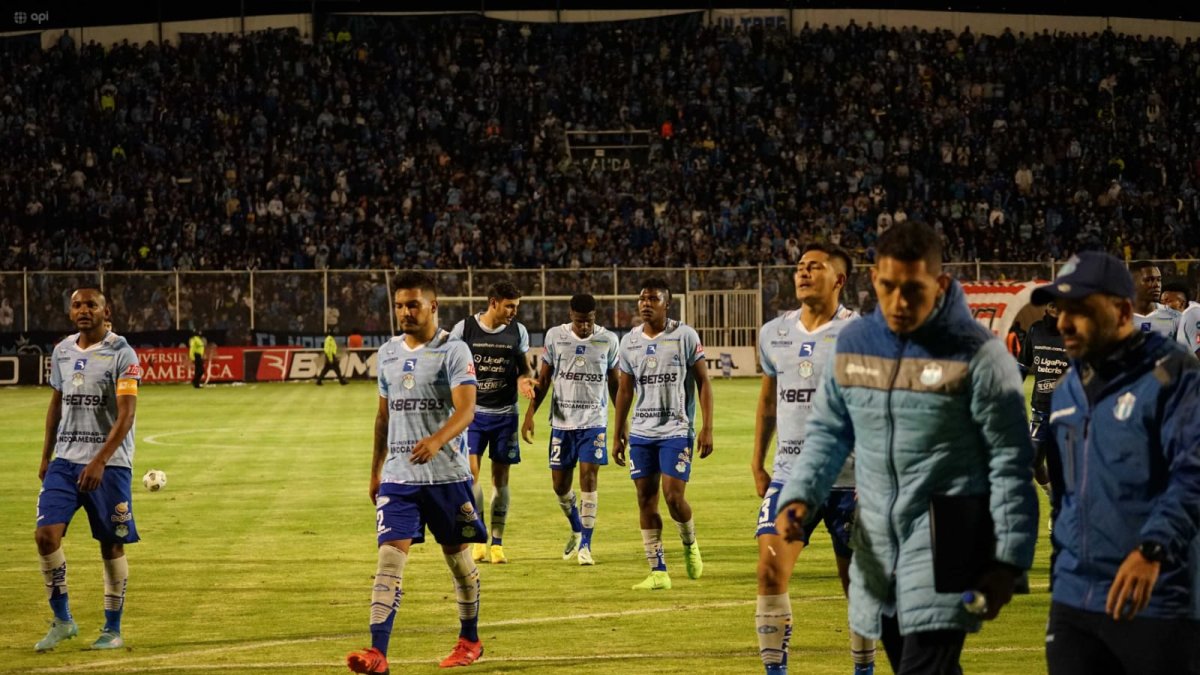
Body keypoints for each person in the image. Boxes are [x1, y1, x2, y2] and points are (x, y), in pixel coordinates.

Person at [774, 222, 1038, 674]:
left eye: (913, 289)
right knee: (913, 663)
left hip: (952, 530)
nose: (899, 302)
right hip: (877, 532)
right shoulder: (855, 344)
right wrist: (800, 495)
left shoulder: (978, 354)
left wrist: (1009, 559)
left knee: (923, 667)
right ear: (875, 278)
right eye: (889, 286)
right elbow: (830, 431)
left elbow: (1010, 462)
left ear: (940, 284)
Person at [1032, 252, 1200, 674]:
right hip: (1076, 600)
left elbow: (1192, 474)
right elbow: (1065, 494)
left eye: (1082, 311)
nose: (1065, 323)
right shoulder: (1068, 387)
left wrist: (1153, 549)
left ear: (1123, 311)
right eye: (1062, 310)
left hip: (1155, 596)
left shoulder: (1175, 375)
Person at [345, 271, 486, 674]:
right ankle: (378, 654)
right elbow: (383, 416)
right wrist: (375, 471)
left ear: (433, 306)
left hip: (446, 477)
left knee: (459, 563)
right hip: (399, 479)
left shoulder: (453, 351)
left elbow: (467, 410)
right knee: (389, 559)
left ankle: (470, 640)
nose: (405, 312)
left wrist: (438, 440)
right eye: (400, 306)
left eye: (413, 305)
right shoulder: (388, 353)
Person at [751, 244, 873, 675]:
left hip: (851, 480)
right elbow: (769, 401)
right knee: (769, 573)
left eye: (814, 267)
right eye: (800, 267)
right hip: (791, 480)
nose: (802, 272)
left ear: (839, 279)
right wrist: (757, 462)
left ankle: (864, 670)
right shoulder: (773, 333)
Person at [34, 288, 142, 651]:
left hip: (109, 465)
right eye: (77, 305)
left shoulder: (122, 353)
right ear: (70, 312)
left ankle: (112, 629)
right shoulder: (62, 351)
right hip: (64, 461)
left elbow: (126, 414)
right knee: (46, 536)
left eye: (91, 305)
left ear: (105, 311)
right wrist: (46, 455)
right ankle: (63, 620)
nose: (84, 310)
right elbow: (57, 404)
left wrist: (99, 460)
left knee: (111, 546)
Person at [612, 277, 714, 590]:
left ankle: (689, 542)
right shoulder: (629, 341)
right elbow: (625, 391)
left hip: (676, 430)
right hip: (642, 432)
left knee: (673, 496)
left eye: (653, 299)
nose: (645, 304)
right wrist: (617, 432)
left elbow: (704, 383)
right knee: (645, 500)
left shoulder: (684, 335)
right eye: (642, 299)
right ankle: (658, 571)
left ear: (666, 304)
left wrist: (707, 427)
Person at [521, 293, 619, 566]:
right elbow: (544, 379)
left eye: (588, 322)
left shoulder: (608, 340)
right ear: (570, 315)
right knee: (560, 486)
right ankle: (577, 528)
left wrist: (621, 423)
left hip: (593, 422)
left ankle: (586, 544)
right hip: (562, 423)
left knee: (588, 478)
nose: (584, 327)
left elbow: (614, 383)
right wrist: (529, 414)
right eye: (579, 322)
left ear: (595, 317)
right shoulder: (555, 337)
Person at [449, 281, 535, 565]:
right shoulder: (464, 329)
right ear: (493, 302)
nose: (513, 311)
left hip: (505, 415)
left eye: (516, 306)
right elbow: (449, 365)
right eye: (509, 305)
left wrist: (524, 380)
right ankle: (479, 537)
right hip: (472, 414)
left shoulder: (517, 331)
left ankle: (497, 542)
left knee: (501, 479)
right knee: (471, 474)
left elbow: (523, 366)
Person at [1018, 301, 1067, 498]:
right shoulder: (1035, 330)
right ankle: (1053, 496)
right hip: (1041, 409)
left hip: (1069, 411)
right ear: (1047, 307)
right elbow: (1022, 365)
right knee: (1035, 462)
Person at [1129, 261, 1181, 338]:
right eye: (1149, 280)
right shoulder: (1118, 319)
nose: (1157, 285)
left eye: (1159, 280)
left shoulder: (1175, 317)